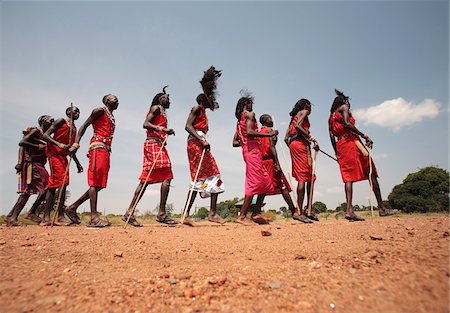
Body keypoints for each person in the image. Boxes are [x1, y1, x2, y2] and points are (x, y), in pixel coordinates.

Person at [328, 89, 397, 221]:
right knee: (371, 172)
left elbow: (331, 136)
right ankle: (382, 209)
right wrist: (364, 135)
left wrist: (337, 152)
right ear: (344, 101)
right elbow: (348, 124)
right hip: (352, 142)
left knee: (348, 177)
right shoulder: (344, 107)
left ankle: (349, 210)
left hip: (341, 146)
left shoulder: (330, 118)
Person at [122, 87, 176, 227]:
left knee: (146, 180)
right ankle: (161, 214)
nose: (169, 99)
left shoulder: (162, 112)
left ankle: (130, 212)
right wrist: (162, 129)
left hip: (157, 145)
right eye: (166, 97)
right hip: (153, 144)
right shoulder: (156, 108)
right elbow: (145, 124)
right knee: (166, 176)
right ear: (160, 99)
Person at [64, 94, 119, 227]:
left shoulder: (112, 116)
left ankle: (72, 207)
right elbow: (84, 125)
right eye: (113, 98)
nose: (116, 100)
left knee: (100, 184)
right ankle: (94, 217)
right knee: (94, 182)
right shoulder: (99, 111)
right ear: (106, 101)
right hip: (97, 148)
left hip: (106, 150)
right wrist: (76, 143)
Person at [182, 67, 226, 226]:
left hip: (201, 143)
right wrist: (201, 140)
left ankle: (212, 214)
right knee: (198, 177)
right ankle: (186, 214)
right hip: (196, 143)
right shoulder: (196, 108)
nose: (212, 101)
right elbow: (187, 126)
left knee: (212, 177)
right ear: (203, 99)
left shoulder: (204, 112)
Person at [232, 92, 278, 225]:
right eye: (251, 102)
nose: (252, 105)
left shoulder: (239, 120)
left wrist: (246, 141)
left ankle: (256, 213)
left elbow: (235, 142)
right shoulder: (250, 115)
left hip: (249, 151)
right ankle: (242, 216)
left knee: (265, 182)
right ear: (247, 103)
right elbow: (250, 132)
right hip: (252, 152)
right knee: (254, 183)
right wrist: (269, 135)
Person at [259, 114, 308, 223]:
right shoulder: (268, 131)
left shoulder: (259, 132)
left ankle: (256, 212)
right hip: (270, 161)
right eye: (269, 119)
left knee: (263, 188)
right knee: (282, 186)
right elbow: (271, 147)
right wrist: (277, 163)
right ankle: (293, 211)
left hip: (263, 161)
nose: (272, 120)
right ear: (265, 121)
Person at [6, 115, 54, 226]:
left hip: (37, 164)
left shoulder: (45, 135)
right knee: (48, 186)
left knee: (26, 192)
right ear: (42, 121)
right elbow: (22, 143)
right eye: (49, 118)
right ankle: (31, 212)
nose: (52, 119)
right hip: (32, 164)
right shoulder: (36, 131)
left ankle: (11, 217)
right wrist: (20, 161)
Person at [40, 106, 83, 226]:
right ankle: (47, 217)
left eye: (78, 111)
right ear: (68, 112)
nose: (77, 113)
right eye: (75, 111)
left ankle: (58, 215)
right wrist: (59, 144)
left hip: (63, 157)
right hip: (54, 154)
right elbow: (45, 136)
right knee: (55, 184)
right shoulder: (61, 121)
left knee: (64, 183)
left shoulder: (74, 128)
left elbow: (69, 148)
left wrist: (77, 163)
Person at [285, 99, 319, 222]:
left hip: (295, 145)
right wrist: (311, 138)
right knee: (304, 177)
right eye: (310, 105)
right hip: (301, 145)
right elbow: (298, 126)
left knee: (309, 177)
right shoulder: (304, 112)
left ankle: (308, 210)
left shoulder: (293, 118)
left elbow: (285, 138)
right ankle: (299, 212)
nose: (310, 108)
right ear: (306, 105)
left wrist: (294, 146)